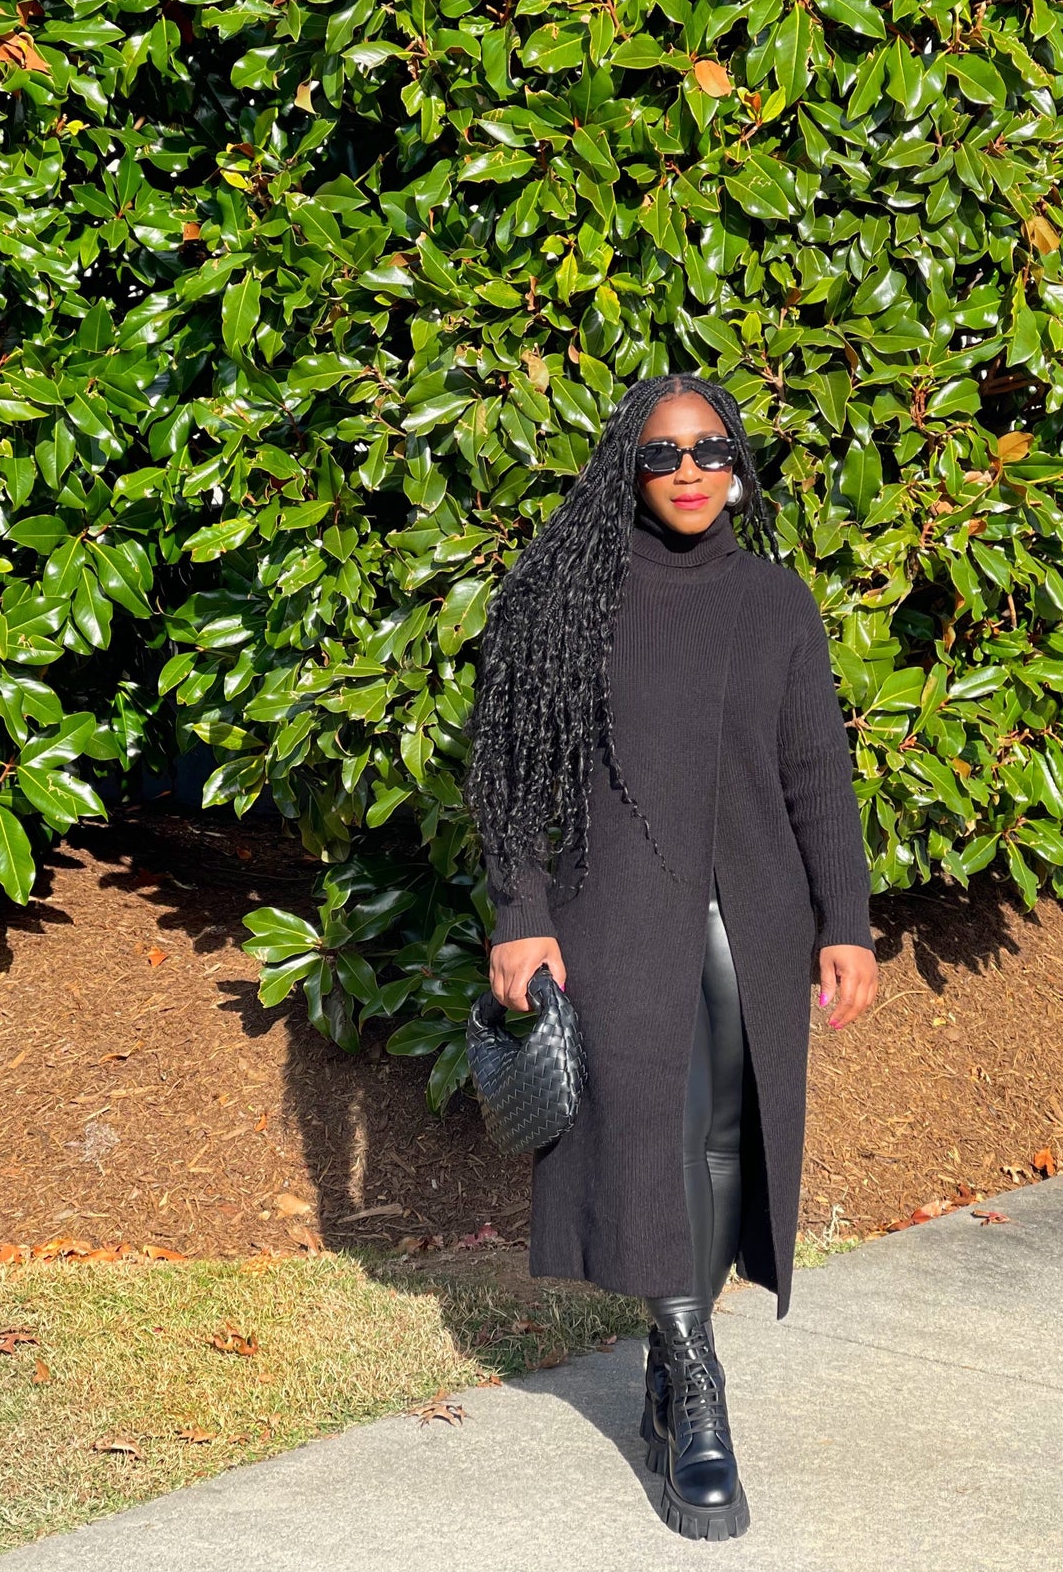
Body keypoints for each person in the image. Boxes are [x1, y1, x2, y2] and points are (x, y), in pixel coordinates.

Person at [465, 372, 879, 1542]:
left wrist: (844, 922)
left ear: (736, 465)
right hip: (614, 918)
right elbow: (510, 776)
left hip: (754, 920)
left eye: (708, 450)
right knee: (652, 1131)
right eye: (661, 453)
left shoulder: (773, 602)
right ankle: (697, 1389)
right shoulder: (562, 595)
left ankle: (665, 1353)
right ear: (626, 467)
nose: (687, 471)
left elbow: (815, 772)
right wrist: (519, 912)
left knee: (723, 1149)